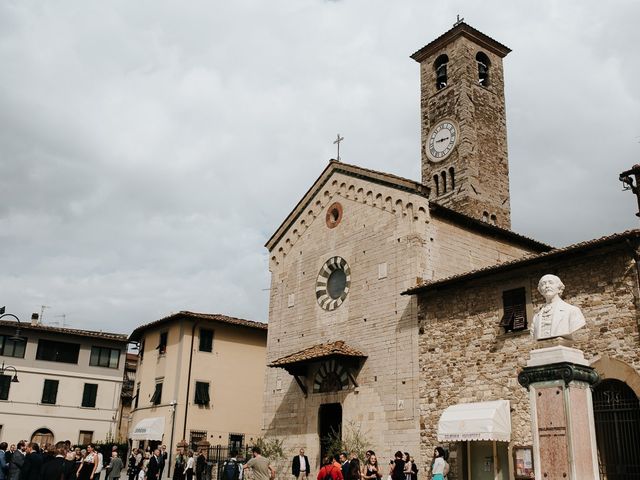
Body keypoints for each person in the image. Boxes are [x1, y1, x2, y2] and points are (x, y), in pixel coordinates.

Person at [530, 274, 586, 340]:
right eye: (543, 284)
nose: (547, 286)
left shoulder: (572, 311)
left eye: (550, 282)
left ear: (559, 289)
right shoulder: (536, 318)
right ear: (541, 291)